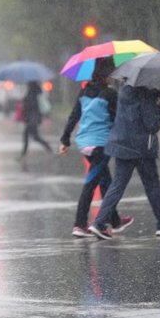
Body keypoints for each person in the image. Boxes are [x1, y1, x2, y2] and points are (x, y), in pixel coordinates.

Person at [88, 84, 160, 239]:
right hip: (141, 148)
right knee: (152, 185)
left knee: (117, 185)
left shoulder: (125, 90)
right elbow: (152, 124)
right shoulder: (147, 94)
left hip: (122, 144)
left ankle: (99, 223)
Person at [59, 58, 123, 237]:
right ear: (108, 73)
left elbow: (74, 116)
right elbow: (118, 118)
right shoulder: (110, 94)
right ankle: (80, 224)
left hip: (84, 142)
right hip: (101, 144)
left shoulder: (84, 91)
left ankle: (116, 220)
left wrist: (65, 139)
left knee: (105, 181)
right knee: (91, 184)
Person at [19, 80, 52, 160]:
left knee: (34, 137)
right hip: (32, 119)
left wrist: (24, 103)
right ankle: (23, 155)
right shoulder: (34, 94)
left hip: (32, 119)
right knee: (28, 136)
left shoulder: (32, 95)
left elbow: (30, 107)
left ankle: (48, 147)